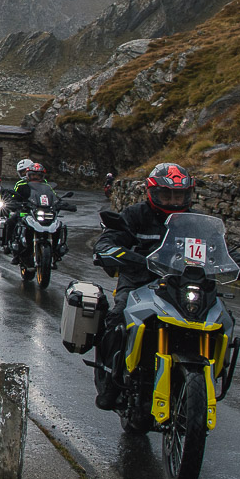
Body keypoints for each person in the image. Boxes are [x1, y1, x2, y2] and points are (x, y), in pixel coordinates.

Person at [91, 161, 196, 408]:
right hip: (139, 282)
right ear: (152, 192)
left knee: (220, 318)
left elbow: (218, 249)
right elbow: (109, 240)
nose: (173, 201)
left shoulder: (194, 220)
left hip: (181, 285)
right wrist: (110, 251)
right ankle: (110, 382)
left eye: (179, 195)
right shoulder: (135, 215)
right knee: (118, 317)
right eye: (167, 195)